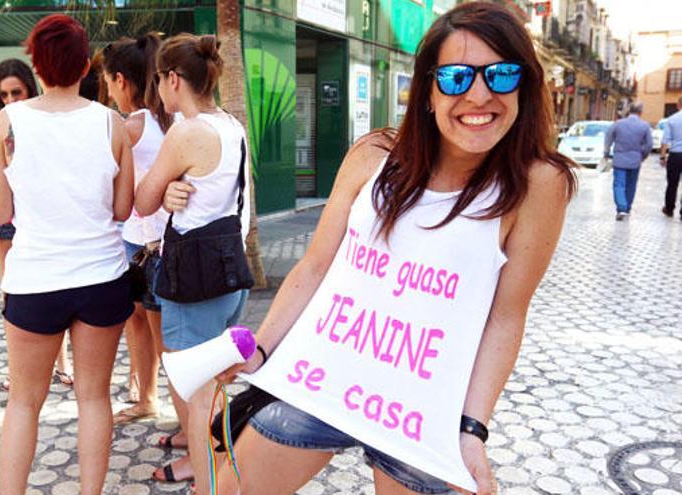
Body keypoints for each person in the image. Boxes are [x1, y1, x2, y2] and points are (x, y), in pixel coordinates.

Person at [215, 3, 576, 494]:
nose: (479, 94)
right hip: (321, 376)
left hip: (423, 410)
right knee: (227, 489)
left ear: (525, 87)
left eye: (502, 74)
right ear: (427, 90)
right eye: (454, 78)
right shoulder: (373, 156)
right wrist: (261, 350)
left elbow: (507, 316)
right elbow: (316, 266)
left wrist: (472, 429)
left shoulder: (538, 183)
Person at [0, 15, 134, 494]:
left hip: (34, 280)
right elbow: (122, 209)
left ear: (37, 66)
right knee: (93, 398)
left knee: (24, 403)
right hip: (102, 277)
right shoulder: (111, 122)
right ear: (87, 65)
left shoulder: (9, 122)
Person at [136, 33, 251, 489]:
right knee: (214, 385)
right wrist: (171, 192)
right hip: (229, 272)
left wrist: (162, 193)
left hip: (194, 280)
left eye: (159, 80)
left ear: (172, 79)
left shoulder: (187, 132)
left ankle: (209, 485)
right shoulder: (230, 126)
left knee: (197, 394)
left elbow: (143, 203)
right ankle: (217, 471)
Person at [0, 58, 73, 389]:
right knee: (11, 294)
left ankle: (61, 364)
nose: (10, 100)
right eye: (3, 94)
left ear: (30, 87)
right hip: (3, 216)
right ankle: (16, 368)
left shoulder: (42, 118)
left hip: (40, 219)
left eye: (16, 92)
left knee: (52, 290)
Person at [102, 32, 174, 426]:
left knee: (155, 332)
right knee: (144, 325)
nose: (108, 91)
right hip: (145, 240)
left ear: (121, 80)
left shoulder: (133, 125)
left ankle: (175, 412)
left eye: (108, 82)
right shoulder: (170, 118)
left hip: (148, 244)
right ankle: (147, 397)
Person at [604, 102, 651, 221]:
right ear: (640, 112)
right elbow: (649, 144)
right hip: (635, 160)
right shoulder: (644, 126)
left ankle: (621, 208)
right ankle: (627, 207)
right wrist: (643, 156)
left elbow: (608, 136)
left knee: (619, 184)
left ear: (629, 111)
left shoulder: (618, 124)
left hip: (619, 159)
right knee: (631, 185)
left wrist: (606, 151)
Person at [660, 96, 682, 218]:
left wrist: (662, 157)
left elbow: (665, 140)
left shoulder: (671, 119)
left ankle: (669, 209)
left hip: (675, 155)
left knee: (672, 183)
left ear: (678, 105)